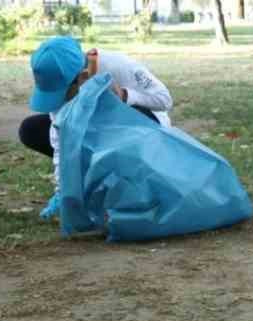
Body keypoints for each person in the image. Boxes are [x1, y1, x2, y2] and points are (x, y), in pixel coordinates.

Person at [19, 36, 175, 217]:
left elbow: (165, 99)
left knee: (105, 118)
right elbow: (60, 140)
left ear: (82, 77)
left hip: (144, 129)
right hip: (96, 132)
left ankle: (137, 182)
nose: (59, 100)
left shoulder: (116, 65)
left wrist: (124, 95)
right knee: (31, 129)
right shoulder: (62, 86)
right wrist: (63, 192)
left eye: (62, 93)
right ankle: (92, 181)